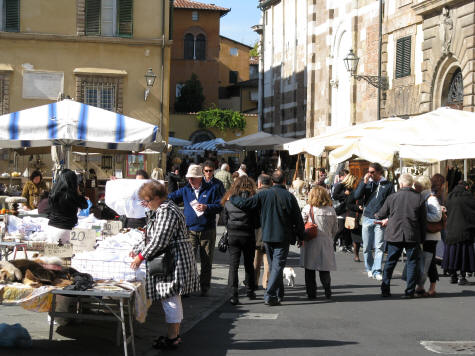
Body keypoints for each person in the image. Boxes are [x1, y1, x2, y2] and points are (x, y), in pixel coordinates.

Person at [130, 181, 199, 350]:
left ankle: (172, 337)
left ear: (157, 198)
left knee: (170, 296)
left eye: (147, 201)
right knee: (171, 297)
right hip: (171, 258)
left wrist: (140, 256)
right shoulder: (162, 209)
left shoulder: (167, 211)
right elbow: (151, 234)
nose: (145, 205)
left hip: (174, 259)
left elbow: (160, 239)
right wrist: (138, 249)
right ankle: (173, 335)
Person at [230, 169, 305, 306]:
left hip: (267, 235)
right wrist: (301, 235)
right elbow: (297, 219)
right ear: (284, 181)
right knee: (277, 266)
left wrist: (232, 196)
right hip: (283, 236)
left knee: (274, 265)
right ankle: (271, 294)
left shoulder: (264, 194)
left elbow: (245, 204)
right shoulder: (289, 196)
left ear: (272, 181)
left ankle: (278, 293)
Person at [168, 164, 223, 296]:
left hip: (207, 229)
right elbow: (171, 197)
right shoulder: (186, 189)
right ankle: (186, 287)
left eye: (192, 178)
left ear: (200, 177)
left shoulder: (212, 188)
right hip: (190, 230)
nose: (190, 180)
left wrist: (207, 207)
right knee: (188, 260)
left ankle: (204, 287)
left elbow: (220, 206)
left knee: (206, 261)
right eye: (189, 178)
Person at [375, 174, 426, 298]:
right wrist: (422, 238)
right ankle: (409, 291)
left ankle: (385, 289)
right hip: (412, 234)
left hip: (394, 234)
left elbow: (381, 214)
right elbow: (423, 221)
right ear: (411, 184)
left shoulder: (392, 197)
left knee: (390, 262)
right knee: (412, 262)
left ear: (401, 184)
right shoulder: (419, 198)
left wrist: (377, 215)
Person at [353, 162, 394, 280]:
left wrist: (388, 218)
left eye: (372, 172)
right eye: (369, 172)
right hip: (367, 217)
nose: (369, 174)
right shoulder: (367, 183)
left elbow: (392, 202)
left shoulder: (388, 185)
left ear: (379, 172)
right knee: (366, 247)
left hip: (380, 219)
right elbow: (356, 196)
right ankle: (369, 268)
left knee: (379, 247)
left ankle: (377, 270)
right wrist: (364, 182)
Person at [222, 176, 259, 305]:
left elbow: (225, 220)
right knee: (249, 264)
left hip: (233, 235)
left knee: (234, 265)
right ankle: (250, 290)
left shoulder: (228, 201)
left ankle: (233, 294)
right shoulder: (253, 201)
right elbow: (257, 222)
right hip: (248, 235)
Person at [300, 186, 337, 299]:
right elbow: (335, 229)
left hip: (311, 241)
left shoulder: (307, 208)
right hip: (326, 241)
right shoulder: (331, 210)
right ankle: (327, 289)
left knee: (309, 269)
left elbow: (301, 225)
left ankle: (311, 292)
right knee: (324, 268)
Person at [414, 176, 442, 297]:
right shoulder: (422, 197)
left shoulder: (431, 199)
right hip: (425, 235)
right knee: (425, 261)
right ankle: (421, 286)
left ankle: (432, 286)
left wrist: (423, 218)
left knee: (429, 262)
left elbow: (437, 216)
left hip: (431, 236)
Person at [442, 181, 475, 285]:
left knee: (453, 254)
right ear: (466, 187)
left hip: (451, 231)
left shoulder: (450, 197)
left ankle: (453, 275)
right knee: (463, 255)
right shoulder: (468, 198)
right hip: (464, 231)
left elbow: (446, 211)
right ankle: (462, 276)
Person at [47, 169, 89, 244]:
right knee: (66, 254)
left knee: (54, 255)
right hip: (65, 230)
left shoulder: (53, 193)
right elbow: (85, 205)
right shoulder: (72, 195)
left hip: (51, 228)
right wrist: (78, 192)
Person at [331, 172, 357, 252]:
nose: (354, 183)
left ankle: (346, 245)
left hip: (347, 209)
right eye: (353, 181)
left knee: (347, 228)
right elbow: (334, 196)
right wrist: (344, 194)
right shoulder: (340, 185)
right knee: (341, 228)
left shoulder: (350, 188)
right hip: (340, 209)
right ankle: (333, 241)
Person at [254, 174, 271, 290]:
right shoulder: (274, 194)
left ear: (259, 183)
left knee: (256, 260)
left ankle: (254, 283)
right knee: (267, 262)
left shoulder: (255, 194)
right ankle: (266, 284)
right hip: (270, 232)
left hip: (256, 232)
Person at [345, 191, 363, 262]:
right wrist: (357, 207)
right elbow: (348, 204)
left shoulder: (369, 191)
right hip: (355, 217)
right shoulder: (354, 193)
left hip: (366, 216)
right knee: (356, 237)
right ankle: (356, 255)